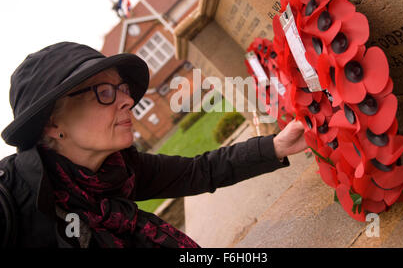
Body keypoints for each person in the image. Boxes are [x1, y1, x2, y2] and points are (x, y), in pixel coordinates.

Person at [0, 42, 307, 248]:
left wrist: (276, 146)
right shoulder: (10, 204)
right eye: (105, 93)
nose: (128, 100)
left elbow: (200, 170)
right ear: (52, 123)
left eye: (122, 89)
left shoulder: (119, 170)